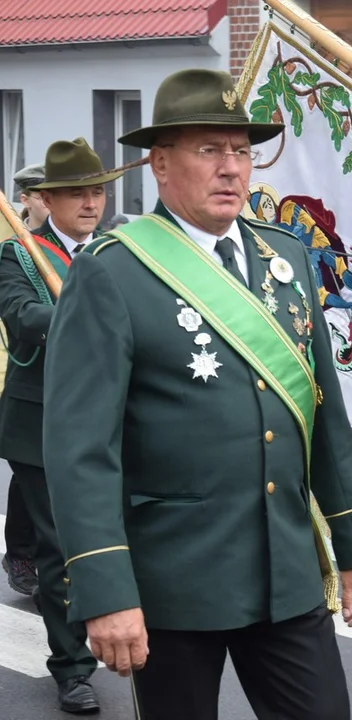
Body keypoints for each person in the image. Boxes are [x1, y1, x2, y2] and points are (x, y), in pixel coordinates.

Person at [41, 68, 352, 720]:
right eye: (209, 150)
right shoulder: (114, 271)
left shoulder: (285, 259)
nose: (231, 169)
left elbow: (326, 417)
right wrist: (107, 591)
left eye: (241, 151)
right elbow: (81, 450)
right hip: (174, 583)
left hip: (284, 577)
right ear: (161, 165)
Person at [0, 139, 122, 713]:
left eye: (97, 191)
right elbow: (25, 320)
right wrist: (89, 309)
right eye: (77, 193)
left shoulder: (122, 252)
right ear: (46, 199)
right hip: (43, 424)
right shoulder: (20, 255)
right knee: (60, 552)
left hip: (116, 421)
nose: (90, 203)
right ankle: (72, 669)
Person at [1, 162, 48, 598]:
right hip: (36, 389)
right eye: (44, 194)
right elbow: (20, 314)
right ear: (28, 200)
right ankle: (20, 553)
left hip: (86, 389)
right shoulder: (19, 252)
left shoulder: (94, 248)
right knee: (33, 477)